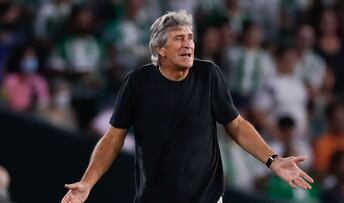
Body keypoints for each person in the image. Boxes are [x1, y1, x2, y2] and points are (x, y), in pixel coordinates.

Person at [60, 10, 313, 203]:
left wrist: (274, 161)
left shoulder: (209, 74)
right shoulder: (139, 81)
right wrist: (87, 183)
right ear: (160, 49)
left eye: (190, 38)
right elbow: (114, 137)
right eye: (179, 38)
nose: (188, 44)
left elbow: (236, 125)